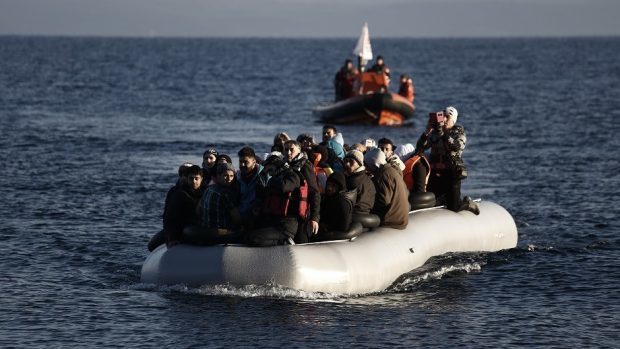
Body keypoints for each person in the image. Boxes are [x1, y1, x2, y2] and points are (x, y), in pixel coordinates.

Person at [415, 106, 479, 214]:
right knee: (430, 202)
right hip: (436, 173)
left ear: (453, 120)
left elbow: (455, 147)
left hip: (452, 173)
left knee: (454, 207)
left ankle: (468, 203)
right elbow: (419, 149)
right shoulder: (435, 133)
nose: (444, 119)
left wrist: (443, 133)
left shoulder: (459, 133)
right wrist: (426, 132)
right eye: (443, 116)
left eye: (447, 117)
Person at [247, 153, 302, 246]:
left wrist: (271, 180)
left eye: (270, 169)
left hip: (286, 227)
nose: (269, 172)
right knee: (248, 232)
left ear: (276, 165)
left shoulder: (293, 175)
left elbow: (284, 187)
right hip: (273, 222)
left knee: (254, 239)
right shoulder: (273, 180)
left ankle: (284, 241)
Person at [147, 162, 194, 251]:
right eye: (182, 173)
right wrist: (171, 238)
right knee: (151, 245)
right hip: (175, 228)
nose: (184, 176)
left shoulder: (200, 190)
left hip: (192, 227)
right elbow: (168, 217)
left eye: (188, 174)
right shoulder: (174, 192)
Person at [192, 163, 243, 244]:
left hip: (204, 230)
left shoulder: (208, 188)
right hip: (218, 233)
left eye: (231, 176)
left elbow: (197, 211)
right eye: (225, 176)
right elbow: (237, 219)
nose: (229, 179)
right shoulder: (226, 194)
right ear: (218, 176)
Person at [283, 140, 321, 243]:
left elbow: (314, 193)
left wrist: (314, 218)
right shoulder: (284, 166)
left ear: (299, 151)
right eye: (286, 150)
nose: (288, 153)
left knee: (302, 242)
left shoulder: (305, 166)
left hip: (302, 216)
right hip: (287, 214)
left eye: (291, 150)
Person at [364, 148, 410, 229]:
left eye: (367, 165)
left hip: (392, 221)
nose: (366, 168)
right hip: (400, 219)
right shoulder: (391, 170)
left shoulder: (384, 174)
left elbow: (384, 200)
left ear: (374, 164)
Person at [162, 165, 204, 246]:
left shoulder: (205, 192)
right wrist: (172, 239)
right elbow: (169, 219)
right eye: (191, 178)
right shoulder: (179, 194)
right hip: (183, 229)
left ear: (201, 179)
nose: (194, 181)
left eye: (196, 178)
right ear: (187, 179)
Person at [316, 172, 356, 237]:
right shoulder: (328, 197)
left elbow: (344, 226)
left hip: (332, 237)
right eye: (328, 185)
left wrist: (327, 226)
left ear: (339, 188)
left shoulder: (343, 202)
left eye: (333, 186)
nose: (329, 188)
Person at [236, 146, 264, 230]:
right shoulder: (237, 176)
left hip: (259, 219)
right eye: (240, 162)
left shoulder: (264, 175)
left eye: (245, 162)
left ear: (254, 162)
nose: (242, 165)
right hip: (241, 219)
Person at [343, 150, 376, 215]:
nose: (347, 164)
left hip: (353, 214)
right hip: (366, 214)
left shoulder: (352, 181)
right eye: (346, 161)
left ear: (359, 164)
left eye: (351, 161)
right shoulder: (368, 179)